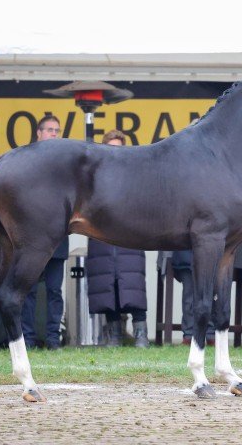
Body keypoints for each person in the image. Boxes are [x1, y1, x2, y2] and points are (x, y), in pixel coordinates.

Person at [86, 130, 149, 348]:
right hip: (102, 238)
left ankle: (141, 332)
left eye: (119, 147)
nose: (116, 152)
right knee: (107, 287)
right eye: (111, 146)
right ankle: (114, 333)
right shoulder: (94, 175)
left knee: (134, 285)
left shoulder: (136, 175)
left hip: (130, 237)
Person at [21, 115, 69, 350]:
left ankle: (53, 339)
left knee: (54, 291)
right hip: (31, 241)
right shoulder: (26, 161)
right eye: (49, 130)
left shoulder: (64, 164)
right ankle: (28, 339)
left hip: (57, 241)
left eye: (56, 130)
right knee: (27, 290)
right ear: (38, 134)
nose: (53, 134)